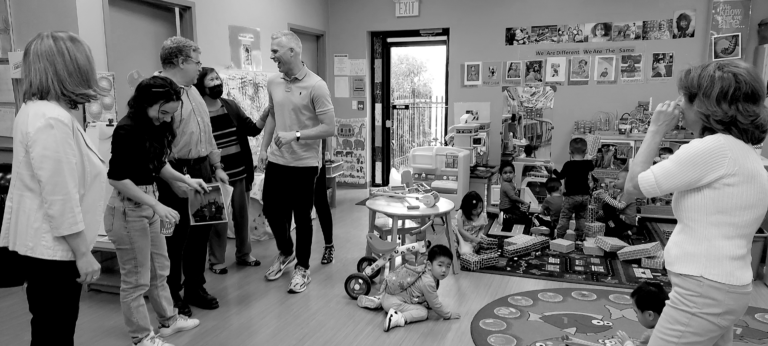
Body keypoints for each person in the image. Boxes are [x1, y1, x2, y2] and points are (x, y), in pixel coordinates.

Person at [623, 60, 768, 346]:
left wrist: (655, 130)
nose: (679, 104)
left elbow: (632, 187)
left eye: (684, 97)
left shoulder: (712, 148)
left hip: (704, 289)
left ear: (703, 104)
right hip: (726, 288)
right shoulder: (743, 152)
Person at [0, 31, 105, 346]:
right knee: (55, 332)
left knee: (50, 328)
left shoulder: (35, 111)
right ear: (70, 68)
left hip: (46, 246)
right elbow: (60, 197)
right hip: (56, 251)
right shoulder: (51, 120)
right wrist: (83, 253)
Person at [107, 76, 205, 346]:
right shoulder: (126, 129)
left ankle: (169, 321)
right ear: (146, 103)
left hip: (150, 205)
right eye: (162, 112)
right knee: (136, 280)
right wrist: (157, 205)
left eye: (170, 114)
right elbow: (116, 178)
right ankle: (141, 338)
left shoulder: (154, 126)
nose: (165, 119)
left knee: (160, 270)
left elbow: (157, 163)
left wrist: (184, 179)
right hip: (129, 211)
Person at [258, 31, 335, 293]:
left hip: (305, 164)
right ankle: (286, 251)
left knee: (302, 217)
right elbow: (272, 116)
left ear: (292, 51)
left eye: (275, 51)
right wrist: (263, 148)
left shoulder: (317, 85)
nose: (272, 56)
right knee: (270, 208)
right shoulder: (273, 82)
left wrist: (296, 135)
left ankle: (303, 267)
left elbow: (329, 128)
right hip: (278, 160)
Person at [153, 36, 226, 316]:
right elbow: (154, 147)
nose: (200, 67)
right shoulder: (158, 91)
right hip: (174, 172)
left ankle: (195, 287)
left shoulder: (193, 90)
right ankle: (171, 295)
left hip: (202, 169)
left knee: (202, 231)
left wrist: (216, 165)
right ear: (181, 62)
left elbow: (206, 132)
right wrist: (173, 179)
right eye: (197, 61)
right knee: (175, 237)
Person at [193, 67, 264, 275]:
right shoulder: (198, 111)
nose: (217, 83)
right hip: (212, 174)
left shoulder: (230, 106)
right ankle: (216, 261)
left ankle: (244, 254)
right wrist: (215, 168)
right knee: (217, 220)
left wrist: (267, 113)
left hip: (239, 171)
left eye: (217, 78)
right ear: (201, 84)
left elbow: (252, 129)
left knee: (242, 216)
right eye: (211, 79)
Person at [356, 245, 461, 332]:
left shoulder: (424, 270)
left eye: (448, 266)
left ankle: (378, 300)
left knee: (408, 298)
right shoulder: (428, 282)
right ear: (429, 265)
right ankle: (397, 318)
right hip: (393, 304)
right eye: (440, 265)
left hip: (389, 295)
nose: (444, 270)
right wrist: (448, 315)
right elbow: (435, 304)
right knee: (423, 312)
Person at [552, 138, 595, 241]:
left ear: (569, 152)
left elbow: (560, 177)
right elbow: (592, 166)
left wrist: (552, 169)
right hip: (585, 196)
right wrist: (590, 158)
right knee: (581, 217)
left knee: (565, 216)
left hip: (571, 196)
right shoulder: (588, 164)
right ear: (586, 151)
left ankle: (560, 237)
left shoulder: (568, 164)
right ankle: (580, 238)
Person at [616, 281, 670, 346]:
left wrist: (627, 343)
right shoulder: (671, 325)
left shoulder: (651, 336)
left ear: (649, 315)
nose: (636, 316)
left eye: (636, 312)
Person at [593, 168, 636, 240]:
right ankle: (609, 225)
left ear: (627, 182)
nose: (615, 181)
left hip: (626, 221)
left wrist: (606, 197)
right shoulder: (620, 192)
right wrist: (602, 193)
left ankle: (615, 229)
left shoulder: (628, 193)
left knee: (608, 207)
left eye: (618, 179)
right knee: (607, 207)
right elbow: (612, 198)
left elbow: (620, 206)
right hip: (619, 219)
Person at [452, 191, 489, 255]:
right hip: (461, 237)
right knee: (449, 227)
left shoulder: (482, 216)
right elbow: (460, 230)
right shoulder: (461, 213)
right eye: (474, 209)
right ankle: (455, 247)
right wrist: (473, 239)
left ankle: (468, 248)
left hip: (473, 239)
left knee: (486, 246)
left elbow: (482, 229)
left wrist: (480, 236)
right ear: (467, 208)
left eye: (480, 207)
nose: (478, 211)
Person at [498, 161, 529, 233]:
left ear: (514, 174)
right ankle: (506, 218)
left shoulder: (510, 183)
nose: (508, 175)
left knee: (523, 213)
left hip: (510, 206)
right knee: (524, 218)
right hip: (507, 208)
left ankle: (506, 216)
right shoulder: (506, 185)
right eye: (505, 173)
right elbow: (512, 197)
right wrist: (523, 202)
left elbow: (513, 194)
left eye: (510, 172)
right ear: (501, 175)